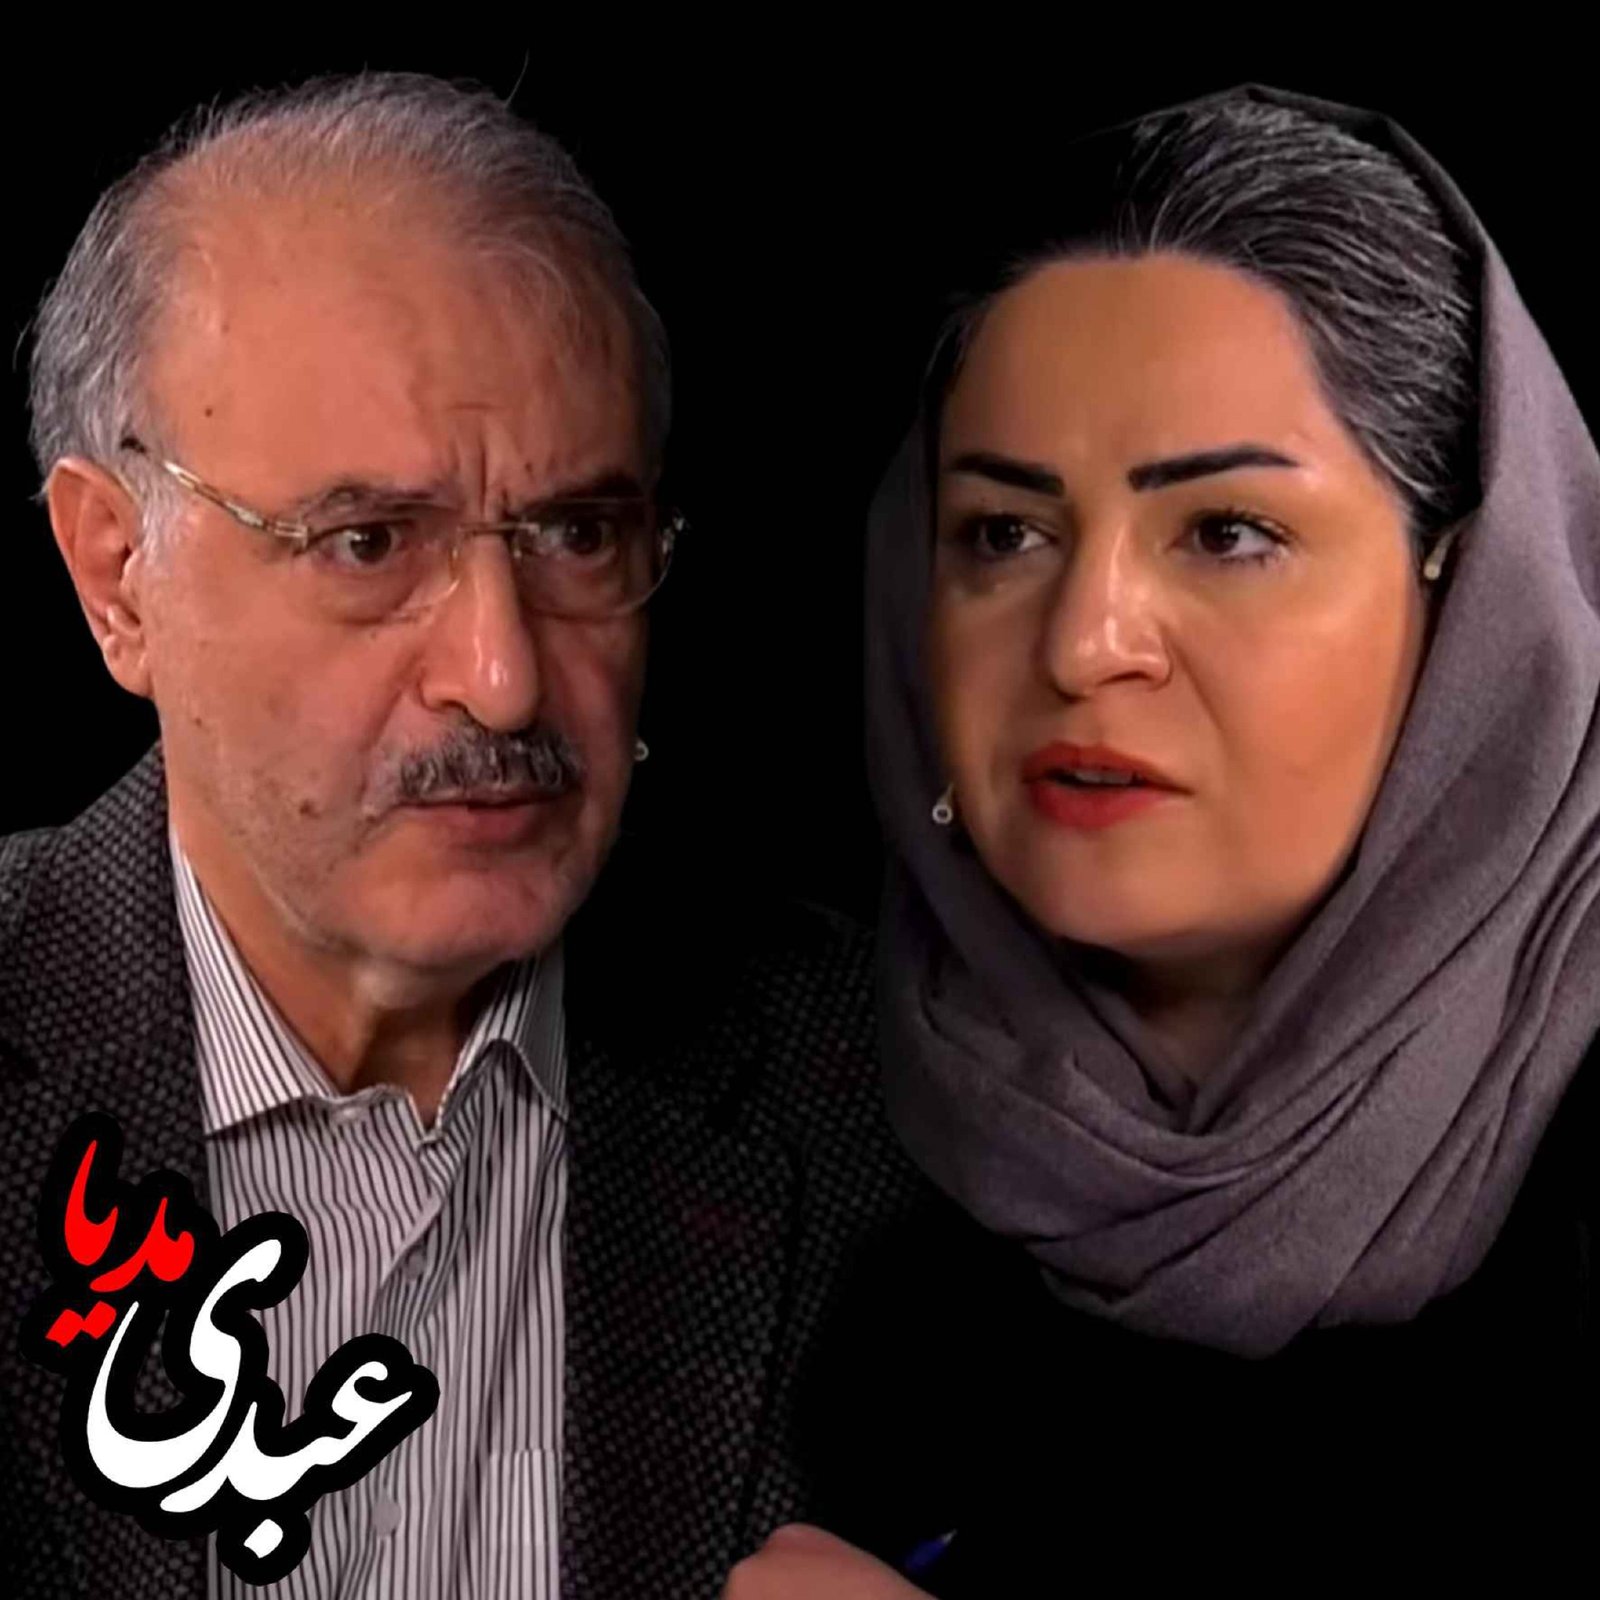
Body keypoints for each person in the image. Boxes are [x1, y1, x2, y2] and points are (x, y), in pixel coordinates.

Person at [0, 72, 934, 1600]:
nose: (501, 676)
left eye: (576, 534)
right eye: (366, 544)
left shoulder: (901, 1107)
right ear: (118, 578)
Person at [728, 86, 1596, 1597]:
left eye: (1226, 534)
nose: (1085, 643)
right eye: (1005, 534)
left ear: (1473, 599)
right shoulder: (817, 1160)